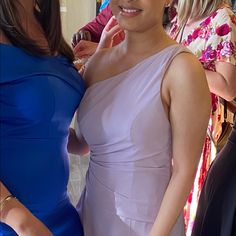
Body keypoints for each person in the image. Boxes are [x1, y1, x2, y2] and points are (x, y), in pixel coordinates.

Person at [69, 0, 211, 234]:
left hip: (148, 223)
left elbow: (184, 171)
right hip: (91, 216)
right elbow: (81, 144)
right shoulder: (97, 63)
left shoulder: (182, 69)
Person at [0, 0, 85, 235]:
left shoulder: (44, 23)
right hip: (13, 226)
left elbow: (47, 129)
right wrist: (18, 218)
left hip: (61, 218)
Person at [169, 0, 236, 234]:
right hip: (171, 124)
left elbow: (228, 87)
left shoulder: (222, 18)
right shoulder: (181, 16)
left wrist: (183, 64)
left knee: (189, 208)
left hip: (199, 129)